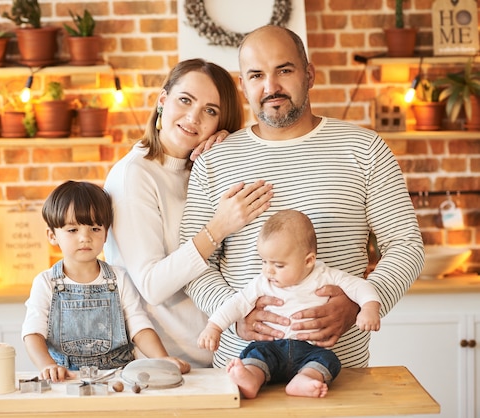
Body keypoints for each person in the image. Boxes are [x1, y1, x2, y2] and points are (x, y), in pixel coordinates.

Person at [181, 25, 424, 369]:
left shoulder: (365, 149)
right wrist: (233, 313)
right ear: (243, 85)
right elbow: (192, 262)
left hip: (339, 375)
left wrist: (359, 305)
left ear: (309, 74)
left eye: (284, 70)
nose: (271, 87)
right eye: (256, 75)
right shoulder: (214, 159)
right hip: (239, 372)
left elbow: (406, 244)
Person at [104, 58, 273, 368]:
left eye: (210, 111)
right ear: (162, 101)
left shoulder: (201, 168)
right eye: (185, 100)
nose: (193, 118)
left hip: (225, 353)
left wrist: (229, 152)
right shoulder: (134, 175)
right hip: (163, 364)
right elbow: (152, 285)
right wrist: (217, 228)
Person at [198, 210, 381, 399]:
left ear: (308, 261)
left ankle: (305, 380)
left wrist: (369, 308)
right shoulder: (262, 282)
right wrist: (214, 326)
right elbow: (236, 304)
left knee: (328, 360)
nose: (268, 271)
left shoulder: (325, 276)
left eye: (278, 265)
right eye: (264, 261)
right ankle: (250, 378)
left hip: (310, 349)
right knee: (254, 356)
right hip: (270, 346)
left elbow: (360, 287)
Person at [21, 180, 190, 382]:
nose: (85, 237)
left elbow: (139, 326)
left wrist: (162, 359)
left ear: (106, 233)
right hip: (67, 379)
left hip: (119, 378)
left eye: (94, 228)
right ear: (52, 235)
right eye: (73, 230)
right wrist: (48, 366)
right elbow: (32, 333)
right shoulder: (45, 283)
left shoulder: (119, 279)